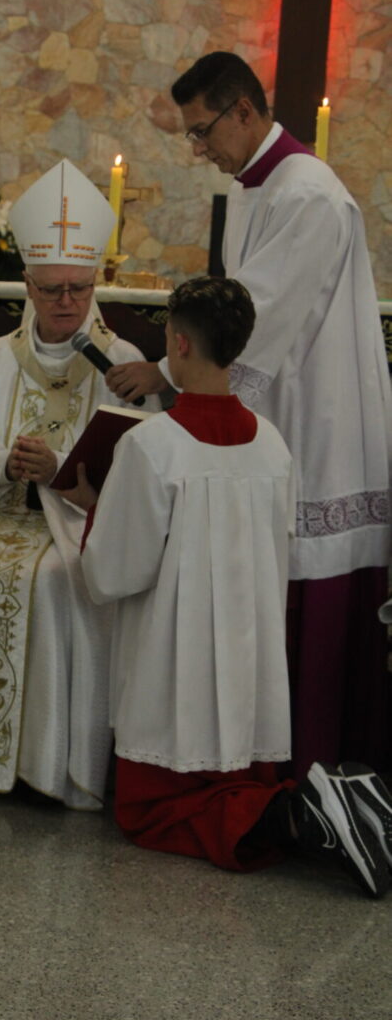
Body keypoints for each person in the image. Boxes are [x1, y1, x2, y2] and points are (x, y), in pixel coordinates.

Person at [106, 52, 392, 779]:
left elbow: (252, 325)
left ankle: (303, 775)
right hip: (284, 415)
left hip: (317, 425)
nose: (199, 151)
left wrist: (167, 371)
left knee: (302, 588)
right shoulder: (259, 189)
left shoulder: (307, 196)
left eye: (203, 132)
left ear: (243, 110)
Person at [66, 276, 392, 898]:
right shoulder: (272, 444)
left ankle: (300, 815)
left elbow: (114, 572)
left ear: (179, 343)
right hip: (247, 676)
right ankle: (317, 801)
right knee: (237, 780)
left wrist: (93, 506)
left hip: (174, 674)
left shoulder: (152, 445)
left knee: (150, 814)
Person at [0, 159, 159, 809]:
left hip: (77, 527)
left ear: (94, 285)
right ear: (28, 287)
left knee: (48, 579)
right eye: (51, 289)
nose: (66, 302)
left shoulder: (123, 366)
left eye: (78, 288)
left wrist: (62, 470)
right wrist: (6, 464)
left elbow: (146, 466)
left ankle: (47, 763)